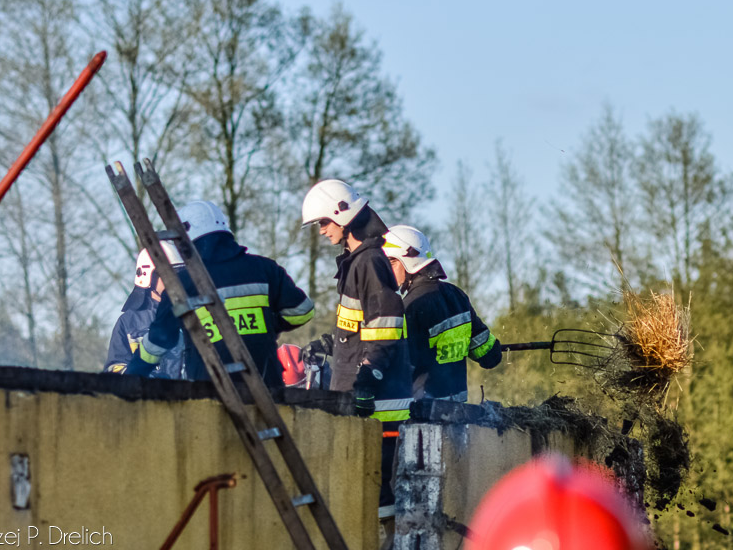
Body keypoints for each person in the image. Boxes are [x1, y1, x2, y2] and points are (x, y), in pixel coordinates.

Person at [301, 179, 412, 507]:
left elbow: (385, 325)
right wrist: (331, 345)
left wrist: (367, 379)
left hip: (379, 404)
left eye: (323, 222)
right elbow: (358, 329)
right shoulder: (359, 262)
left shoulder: (370, 262)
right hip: (362, 399)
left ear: (343, 215)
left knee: (377, 502)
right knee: (361, 498)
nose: (322, 231)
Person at [124, 201, 314, 387]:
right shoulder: (266, 269)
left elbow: (160, 339)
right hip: (268, 387)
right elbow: (302, 311)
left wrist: (132, 373)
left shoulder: (182, 283)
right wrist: (266, 326)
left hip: (209, 394)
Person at [382, 225, 501, 401]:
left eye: (390, 263)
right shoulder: (457, 295)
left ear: (407, 261)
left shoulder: (410, 307)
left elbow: (400, 372)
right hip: (458, 413)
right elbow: (490, 356)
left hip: (422, 417)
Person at [104, 242, 185, 378]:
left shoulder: (192, 314)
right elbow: (114, 370)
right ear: (148, 277)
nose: (175, 281)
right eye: (167, 274)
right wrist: (147, 379)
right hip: (145, 397)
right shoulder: (128, 323)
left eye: (179, 274)